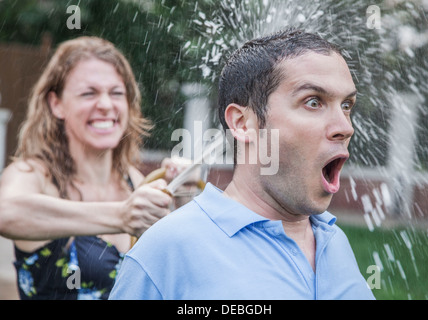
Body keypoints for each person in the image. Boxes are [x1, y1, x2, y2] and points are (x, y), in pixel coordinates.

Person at [109, 29, 376, 300]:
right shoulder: (168, 250)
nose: (345, 127)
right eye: (313, 102)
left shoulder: (335, 241)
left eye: (346, 105)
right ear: (242, 123)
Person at [0, 36, 180, 299]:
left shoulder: (135, 181)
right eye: (89, 93)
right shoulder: (33, 175)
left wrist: (184, 196)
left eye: (116, 93)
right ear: (56, 104)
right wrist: (120, 215)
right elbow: (6, 213)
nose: (106, 105)